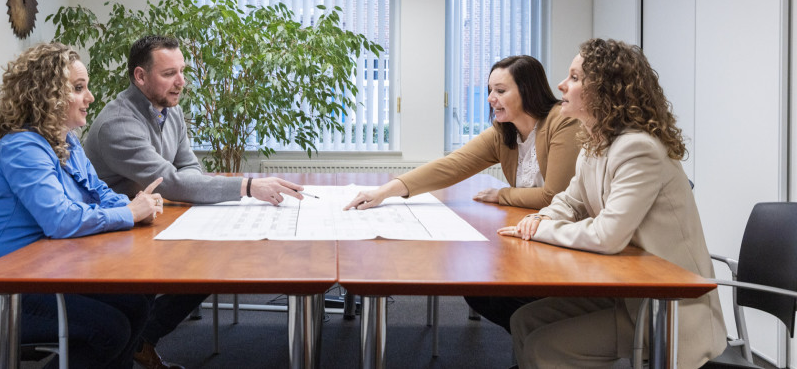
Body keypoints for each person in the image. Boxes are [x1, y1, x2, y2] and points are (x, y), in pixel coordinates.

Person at [83, 35, 307, 369]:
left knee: (211, 258)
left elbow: (189, 167)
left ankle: (142, 338)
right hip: (111, 236)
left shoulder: (169, 110)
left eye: (182, 71)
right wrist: (247, 186)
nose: (181, 82)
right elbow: (173, 181)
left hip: (149, 221)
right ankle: (138, 339)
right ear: (140, 76)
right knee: (201, 264)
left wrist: (188, 183)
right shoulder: (118, 124)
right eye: (169, 73)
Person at [501, 39, 726, 368]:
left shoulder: (638, 149)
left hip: (667, 307)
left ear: (606, 90)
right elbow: (569, 200)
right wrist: (542, 218)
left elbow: (607, 236)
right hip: (629, 290)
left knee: (541, 348)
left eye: (575, 78)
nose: (562, 85)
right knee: (523, 321)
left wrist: (541, 231)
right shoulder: (597, 143)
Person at [0, 43, 163, 369]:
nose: (90, 97)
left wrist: (137, 203)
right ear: (45, 94)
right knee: (109, 329)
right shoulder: (21, 147)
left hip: (36, 275)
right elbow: (60, 220)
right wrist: (130, 213)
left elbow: (98, 193)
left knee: (135, 306)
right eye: (78, 88)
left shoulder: (67, 143)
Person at [344, 55, 581, 332]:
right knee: (478, 289)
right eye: (490, 90)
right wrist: (385, 192)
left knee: (496, 291)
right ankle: (536, 340)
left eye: (501, 91)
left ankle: (547, 339)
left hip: (562, 238)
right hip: (528, 231)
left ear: (527, 91)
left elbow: (554, 196)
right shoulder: (504, 131)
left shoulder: (562, 122)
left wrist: (503, 194)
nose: (491, 98)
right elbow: (451, 166)